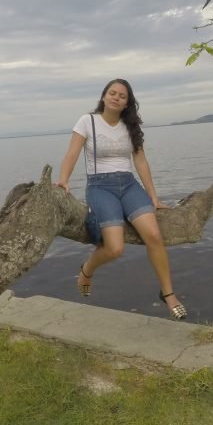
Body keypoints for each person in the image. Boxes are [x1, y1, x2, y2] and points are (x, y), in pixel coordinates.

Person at [55, 79, 187, 320]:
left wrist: (153, 197)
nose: (116, 97)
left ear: (127, 103)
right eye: (112, 93)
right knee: (115, 248)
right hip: (100, 186)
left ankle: (168, 294)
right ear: (104, 96)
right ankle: (86, 270)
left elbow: (140, 161)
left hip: (128, 184)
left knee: (154, 236)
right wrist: (63, 179)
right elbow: (72, 153)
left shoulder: (130, 126)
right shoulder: (88, 121)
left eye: (122, 96)